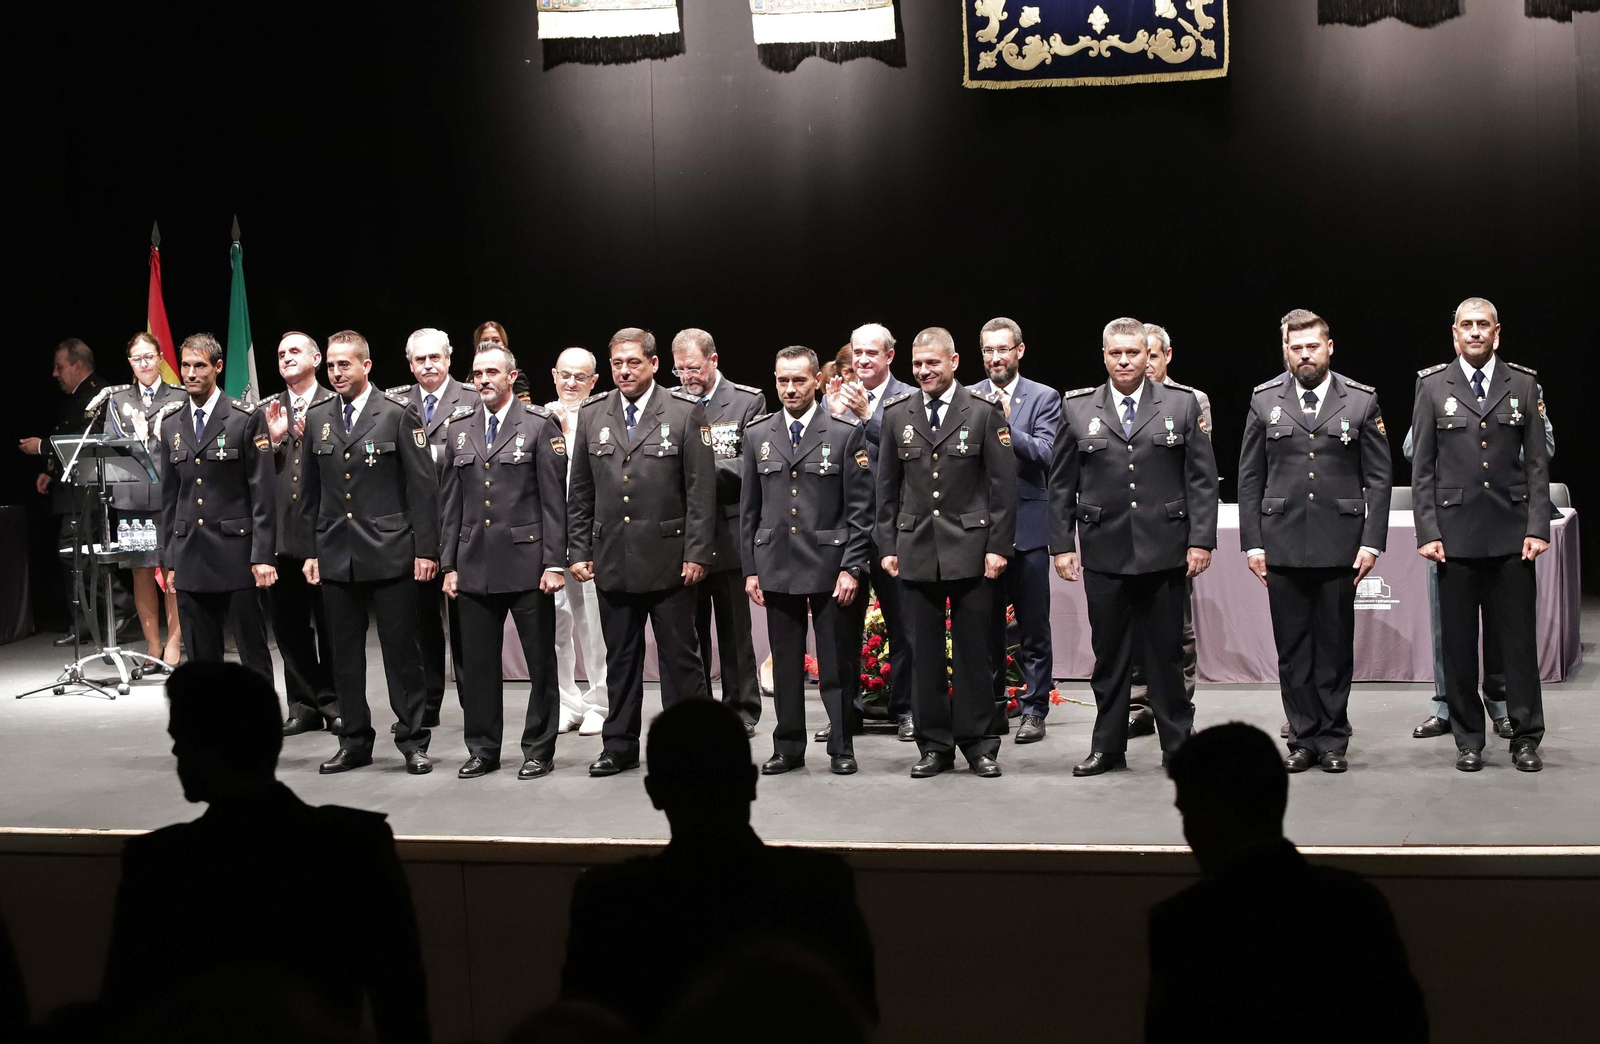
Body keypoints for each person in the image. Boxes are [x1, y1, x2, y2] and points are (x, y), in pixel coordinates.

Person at [100, 662, 427, 1043]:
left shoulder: (159, 864)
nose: (173, 749)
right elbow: (403, 1006)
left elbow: (125, 1012)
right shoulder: (356, 845)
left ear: (205, 745)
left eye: (180, 737)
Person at [560, 699, 876, 1034]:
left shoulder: (607, 906)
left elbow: (582, 1028)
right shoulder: (820, 890)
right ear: (752, 782)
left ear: (654, 793)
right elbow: (862, 1017)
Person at [1147, 722, 1426, 1042]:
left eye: (1187, 814)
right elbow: (1406, 1027)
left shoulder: (1182, 925)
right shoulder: (1358, 905)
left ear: (1203, 819)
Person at [1049, 317, 1218, 776]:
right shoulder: (1078, 408)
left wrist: (1201, 540)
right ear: (1104, 356)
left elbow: (1201, 481)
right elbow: (1061, 484)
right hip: (1105, 552)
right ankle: (1107, 747)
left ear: (1149, 356)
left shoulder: (1181, 406)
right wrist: (1061, 545)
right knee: (1109, 657)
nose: (1124, 361)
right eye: (1115, 353)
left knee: (1167, 655)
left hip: (1166, 551)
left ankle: (1179, 746)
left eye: (1133, 353)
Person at [1238, 310, 1391, 773]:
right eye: (1295, 347)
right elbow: (1249, 478)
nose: (1304, 354)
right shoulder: (1265, 401)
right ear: (1286, 350)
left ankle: (1334, 740)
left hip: (1340, 544)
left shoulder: (1361, 402)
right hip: (1281, 543)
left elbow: (1380, 479)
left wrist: (1372, 543)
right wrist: (1253, 544)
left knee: (1334, 647)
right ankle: (1302, 738)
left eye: (1312, 346)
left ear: (1329, 347)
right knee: (1293, 648)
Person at [567, 328, 716, 777]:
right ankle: (619, 745)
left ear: (653, 364)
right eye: (617, 364)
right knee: (621, 660)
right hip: (612, 556)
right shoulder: (594, 413)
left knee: (680, 661)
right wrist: (577, 547)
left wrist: (697, 553)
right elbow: (581, 489)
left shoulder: (685, 412)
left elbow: (701, 491)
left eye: (633, 362)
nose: (625, 370)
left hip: (671, 559)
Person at [1411, 297, 1550, 772]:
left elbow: (1537, 465)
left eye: (1482, 325)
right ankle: (1469, 738)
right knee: (1458, 644)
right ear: (1454, 333)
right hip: (1454, 538)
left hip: (1513, 536)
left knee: (1518, 644)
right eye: (1466, 325)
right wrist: (1427, 531)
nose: (1474, 332)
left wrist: (1538, 527)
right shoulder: (1432, 387)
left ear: (1496, 332)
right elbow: (1422, 467)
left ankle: (1525, 737)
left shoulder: (1524, 385)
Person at [876, 327, 1016, 778]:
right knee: (924, 655)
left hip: (972, 549)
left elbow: (1003, 488)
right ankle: (934, 744)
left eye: (932, 363)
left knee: (975, 651)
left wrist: (998, 547)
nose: (923, 371)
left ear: (954, 362)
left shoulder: (982, 411)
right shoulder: (898, 414)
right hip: (916, 548)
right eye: (917, 364)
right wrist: (887, 545)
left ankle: (978, 744)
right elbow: (885, 489)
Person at [301, 330, 439, 776]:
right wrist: (310, 550)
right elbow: (310, 492)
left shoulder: (397, 414)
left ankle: (413, 740)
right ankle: (354, 740)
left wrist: (427, 549)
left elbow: (423, 488)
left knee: (402, 654)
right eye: (332, 365)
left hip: (391, 550)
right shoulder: (319, 416)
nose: (337, 372)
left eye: (346, 364)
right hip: (336, 552)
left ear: (367, 365)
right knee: (342, 655)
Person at [741, 346, 873, 775]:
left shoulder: (843, 432)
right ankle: (788, 746)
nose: (790, 388)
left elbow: (860, 510)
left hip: (830, 566)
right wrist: (750, 569)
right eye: (782, 380)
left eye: (799, 380)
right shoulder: (758, 433)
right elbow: (749, 510)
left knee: (836, 664)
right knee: (785, 663)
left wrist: (853, 566)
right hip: (777, 563)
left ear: (817, 380)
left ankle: (841, 745)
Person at [440, 344, 568, 779]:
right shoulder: (459, 429)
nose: (484, 380)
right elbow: (450, 503)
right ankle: (483, 748)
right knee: (477, 667)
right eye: (477, 373)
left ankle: (538, 749)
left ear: (512, 377)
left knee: (540, 665)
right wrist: (449, 564)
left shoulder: (537, 426)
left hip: (527, 563)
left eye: (493, 372)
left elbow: (555, 503)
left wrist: (554, 563)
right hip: (474, 561)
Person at [817, 323, 918, 743]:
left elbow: (914, 455)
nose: (861, 361)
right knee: (841, 630)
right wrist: (833, 420)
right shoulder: (830, 402)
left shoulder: (911, 399)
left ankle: (908, 709)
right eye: (857, 353)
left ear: (889, 356)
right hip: (846, 533)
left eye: (871, 353)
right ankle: (845, 712)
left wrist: (868, 417)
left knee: (905, 627)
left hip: (895, 530)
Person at [157, 333, 277, 677]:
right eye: (185, 365)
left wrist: (263, 555)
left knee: (251, 649)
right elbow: (170, 497)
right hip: (191, 554)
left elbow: (263, 493)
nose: (190, 373)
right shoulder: (170, 424)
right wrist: (171, 559)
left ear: (218, 367)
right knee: (201, 657)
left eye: (199, 365)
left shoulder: (244, 418)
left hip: (236, 552)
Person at [672, 328, 767, 736]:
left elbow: (752, 466)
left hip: (728, 535)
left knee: (734, 632)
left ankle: (741, 709)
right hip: (682, 538)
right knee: (688, 631)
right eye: (679, 372)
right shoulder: (671, 404)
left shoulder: (748, 401)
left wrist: (694, 473)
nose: (687, 378)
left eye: (693, 368)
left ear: (713, 360)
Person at [969, 317, 1059, 744]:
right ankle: (992, 707)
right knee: (985, 626)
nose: (995, 358)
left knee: (1032, 627)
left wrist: (1006, 427)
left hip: (1028, 528)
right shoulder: (968, 398)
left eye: (1002, 349)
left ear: (1019, 351)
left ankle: (1035, 708)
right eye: (988, 350)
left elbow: (1046, 454)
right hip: (982, 533)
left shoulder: (1043, 397)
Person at [388, 328, 478, 729]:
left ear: (448, 358)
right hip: (415, 531)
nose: (428, 365)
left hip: (464, 529)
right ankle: (427, 706)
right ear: (410, 364)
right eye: (420, 360)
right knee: (422, 624)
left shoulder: (473, 400)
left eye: (435, 358)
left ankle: (476, 705)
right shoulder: (393, 405)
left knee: (467, 626)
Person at [1128, 323, 1209, 737]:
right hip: (1128, 533)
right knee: (1132, 626)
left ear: (1164, 356)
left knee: (1176, 628)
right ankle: (1140, 705)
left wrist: (1197, 539)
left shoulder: (1191, 401)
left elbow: (1199, 474)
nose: (1146, 364)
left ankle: (1179, 704)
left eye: (1153, 356)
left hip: (1171, 532)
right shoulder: (1115, 402)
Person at [263, 332, 340, 736]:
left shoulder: (336, 404)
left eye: (294, 351)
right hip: (282, 536)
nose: (286, 357)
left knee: (332, 623)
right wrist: (273, 442)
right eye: (280, 354)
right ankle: (303, 704)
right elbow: (253, 475)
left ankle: (335, 702)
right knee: (289, 625)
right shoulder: (265, 410)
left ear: (317, 357)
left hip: (326, 532)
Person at [19, 338, 113, 645]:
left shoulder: (98, 394)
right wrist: (50, 469)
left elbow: (89, 442)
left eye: (60, 366)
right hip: (72, 490)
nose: (55, 373)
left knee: (80, 556)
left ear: (78, 365)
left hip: (87, 492)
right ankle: (89, 622)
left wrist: (43, 447)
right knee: (77, 557)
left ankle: (114, 608)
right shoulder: (77, 396)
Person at [103, 332, 187, 666]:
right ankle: (153, 645)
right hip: (133, 497)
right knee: (141, 571)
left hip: (172, 494)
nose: (144, 364)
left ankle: (175, 642)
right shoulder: (117, 400)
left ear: (161, 358)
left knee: (173, 572)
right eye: (137, 359)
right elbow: (110, 445)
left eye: (149, 357)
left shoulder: (179, 396)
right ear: (130, 364)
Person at [548, 347, 610, 736]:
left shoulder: (602, 417)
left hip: (589, 537)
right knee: (556, 623)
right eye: (565, 375)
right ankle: (566, 700)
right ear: (554, 375)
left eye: (580, 377)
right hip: (551, 538)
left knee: (593, 624)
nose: (571, 383)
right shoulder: (539, 417)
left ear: (593, 381)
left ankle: (600, 701)